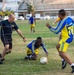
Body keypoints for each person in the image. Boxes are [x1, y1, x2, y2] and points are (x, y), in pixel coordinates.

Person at [46, 9, 74, 73]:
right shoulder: (69, 18)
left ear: (61, 15)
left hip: (67, 38)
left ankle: (72, 65)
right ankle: (63, 59)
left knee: (62, 52)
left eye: (58, 15)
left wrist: (49, 27)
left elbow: (56, 31)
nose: (58, 16)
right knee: (57, 46)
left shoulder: (63, 22)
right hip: (70, 36)